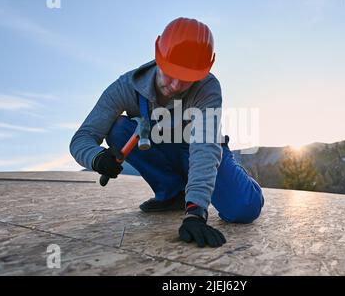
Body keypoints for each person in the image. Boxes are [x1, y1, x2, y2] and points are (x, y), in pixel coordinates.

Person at [70, 17, 263, 248]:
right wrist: (96, 158)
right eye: (170, 73)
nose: (174, 86)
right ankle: (172, 193)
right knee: (118, 129)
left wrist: (196, 211)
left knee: (245, 208)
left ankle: (237, 176)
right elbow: (82, 138)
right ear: (158, 53)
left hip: (200, 149)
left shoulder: (208, 87)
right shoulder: (125, 87)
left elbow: (204, 146)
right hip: (164, 146)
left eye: (186, 80)